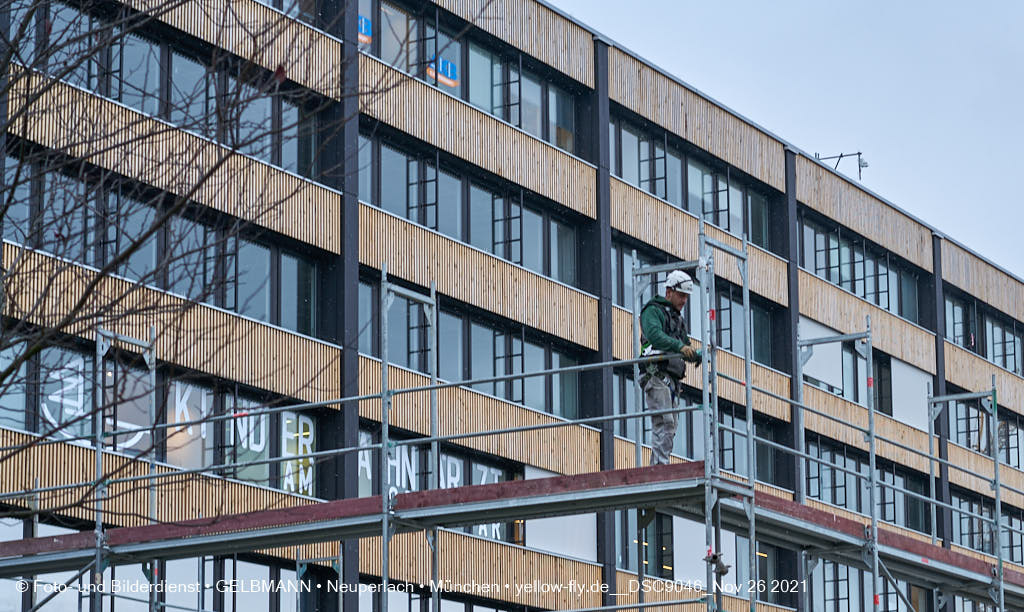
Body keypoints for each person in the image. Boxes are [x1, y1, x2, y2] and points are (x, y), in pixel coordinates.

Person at [640, 269, 701, 465]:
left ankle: (660, 466)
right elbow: (655, 336)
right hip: (655, 375)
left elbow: (684, 345)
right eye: (681, 295)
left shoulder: (676, 320)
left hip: (671, 380)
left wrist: (695, 355)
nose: (684, 301)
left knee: (671, 425)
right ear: (669, 292)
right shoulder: (653, 311)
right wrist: (680, 348)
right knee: (664, 422)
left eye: (686, 297)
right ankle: (659, 469)